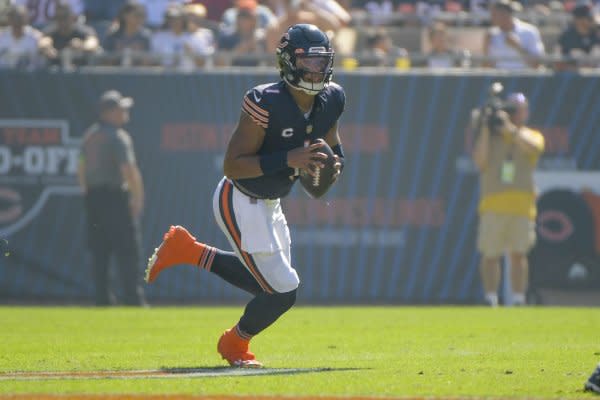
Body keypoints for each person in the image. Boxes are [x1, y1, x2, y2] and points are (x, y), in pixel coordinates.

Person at [145, 24, 345, 367]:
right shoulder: (264, 100)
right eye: (308, 61)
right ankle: (234, 344)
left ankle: (188, 251)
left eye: (321, 61)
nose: (317, 69)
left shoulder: (332, 98)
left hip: (271, 201)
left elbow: (330, 140)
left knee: (270, 285)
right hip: (239, 198)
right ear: (288, 62)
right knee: (282, 291)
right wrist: (288, 159)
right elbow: (233, 166)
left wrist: (335, 161)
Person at [471, 92, 545, 307]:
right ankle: (490, 297)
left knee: (519, 254)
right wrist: (486, 126)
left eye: (517, 110)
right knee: (490, 254)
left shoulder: (531, 135)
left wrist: (509, 129)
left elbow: (534, 148)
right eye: (510, 110)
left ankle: (519, 298)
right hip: (493, 203)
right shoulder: (490, 138)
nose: (513, 114)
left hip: (522, 205)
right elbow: (480, 161)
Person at [77, 90, 146, 306]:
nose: (125, 112)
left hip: (94, 199)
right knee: (127, 250)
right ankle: (132, 298)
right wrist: (137, 197)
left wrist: (88, 193)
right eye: (120, 108)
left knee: (100, 251)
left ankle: (102, 299)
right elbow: (129, 169)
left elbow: (80, 168)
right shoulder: (118, 137)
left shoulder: (89, 136)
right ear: (109, 112)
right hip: (115, 198)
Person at [483, 0, 545, 70]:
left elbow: (537, 64)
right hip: (498, 78)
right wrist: (486, 48)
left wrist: (518, 47)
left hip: (526, 77)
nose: (492, 18)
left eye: (495, 15)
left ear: (506, 14)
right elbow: (486, 67)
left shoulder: (529, 31)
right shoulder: (491, 35)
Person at [40, 2, 99, 67]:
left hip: (81, 71)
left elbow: (93, 44)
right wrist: (47, 48)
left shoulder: (83, 31)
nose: (62, 21)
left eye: (64, 17)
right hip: (57, 72)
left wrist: (81, 46)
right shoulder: (51, 31)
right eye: (58, 17)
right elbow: (43, 42)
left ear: (72, 17)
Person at [555, 4, 600, 71]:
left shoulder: (596, 33)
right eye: (588, 18)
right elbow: (557, 60)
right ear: (578, 20)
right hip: (573, 77)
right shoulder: (567, 36)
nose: (591, 21)